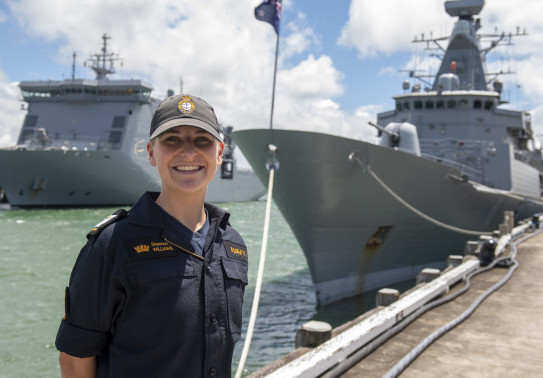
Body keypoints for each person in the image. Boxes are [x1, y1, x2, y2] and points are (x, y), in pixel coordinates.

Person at [55, 94, 249, 377]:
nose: (188, 152)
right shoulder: (112, 245)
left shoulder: (233, 245)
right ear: (151, 153)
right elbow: (75, 360)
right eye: (172, 139)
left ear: (219, 153)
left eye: (201, 140)